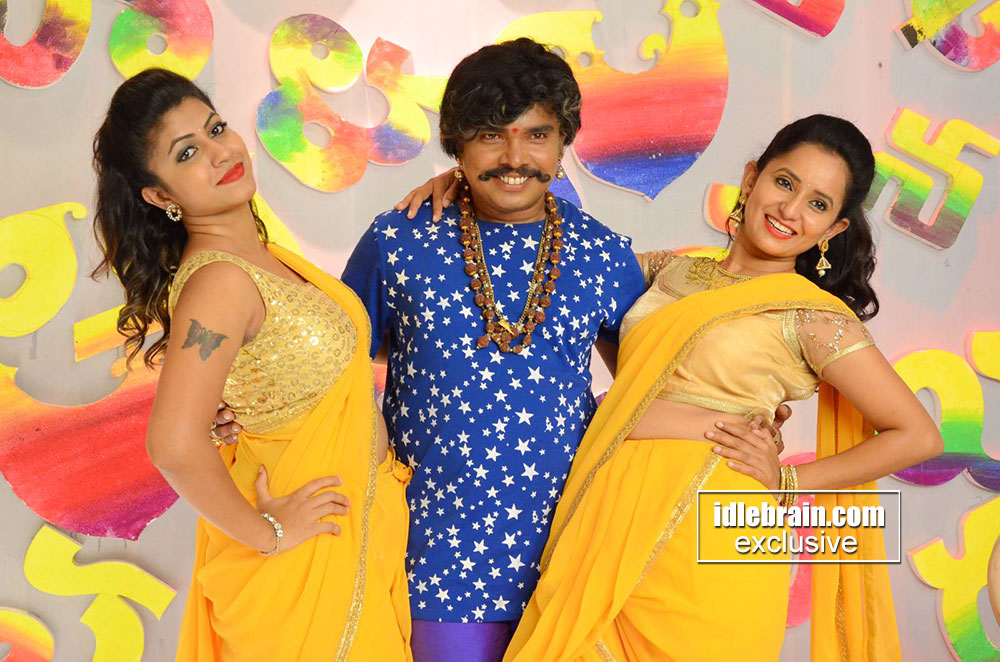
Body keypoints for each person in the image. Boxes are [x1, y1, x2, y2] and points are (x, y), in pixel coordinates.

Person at [495, 115, 944, 661]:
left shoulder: (809, 315)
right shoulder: (669, 271)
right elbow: (546, 258)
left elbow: (918, 435)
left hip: (713, 542)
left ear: (833, 230)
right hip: (611, 516)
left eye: (818, 204)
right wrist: (459, 183)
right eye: (784, 182)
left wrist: (787, 480)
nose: (790, 210)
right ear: (751, 178)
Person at [91, 68, 412, 661]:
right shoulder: (218, 283)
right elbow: (173, 443)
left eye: (215, 129)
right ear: (160, 196)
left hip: (352, 535)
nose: (220, 152)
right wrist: (269, 534)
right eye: (187, 152)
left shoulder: (264, 258)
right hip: (302, 566)